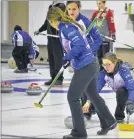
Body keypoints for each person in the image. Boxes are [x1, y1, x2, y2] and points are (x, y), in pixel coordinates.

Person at [46, 7, 117, 139]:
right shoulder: (67, 26)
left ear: (53, 20)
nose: (51, 25)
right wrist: (71, 57)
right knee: (93, 95)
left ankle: (79, 132)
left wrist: (67, 57)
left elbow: (79, 45)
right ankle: (108, 121)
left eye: (50, 23)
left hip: (87, 66)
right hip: (90, 64)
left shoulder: (66, 28)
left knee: (72, 97)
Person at [65, 0, 102, 120]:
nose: (71, 12)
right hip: (77, 59)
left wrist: (91, 52)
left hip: (88, 59)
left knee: (86, 86)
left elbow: (98, 39)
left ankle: (87, 111)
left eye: (74, 9)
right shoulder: (66, 22)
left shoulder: (85, 22)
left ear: (79, 9)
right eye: (69, 9)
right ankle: (90, 109)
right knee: (82, 87)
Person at [34, 2, 66, 85]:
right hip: (50, 39)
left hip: (57, 40)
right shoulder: (49, 14)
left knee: (58, 59)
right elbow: (45, 25)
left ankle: (59, 78)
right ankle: (53, 77)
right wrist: (39, 30)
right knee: (51, 59)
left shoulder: (59, 12)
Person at [91, 0, 116, 71]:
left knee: (105, 57)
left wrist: (113, 34)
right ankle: (100, 71)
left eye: (100, 3)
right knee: (98, 56)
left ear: (104, 3)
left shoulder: (108, 12)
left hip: (105, 38)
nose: (98, 5)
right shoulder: (96, 13)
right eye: (97, 4)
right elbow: (91, 24)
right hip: (97, 38)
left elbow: (111, 23)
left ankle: (107, 71)